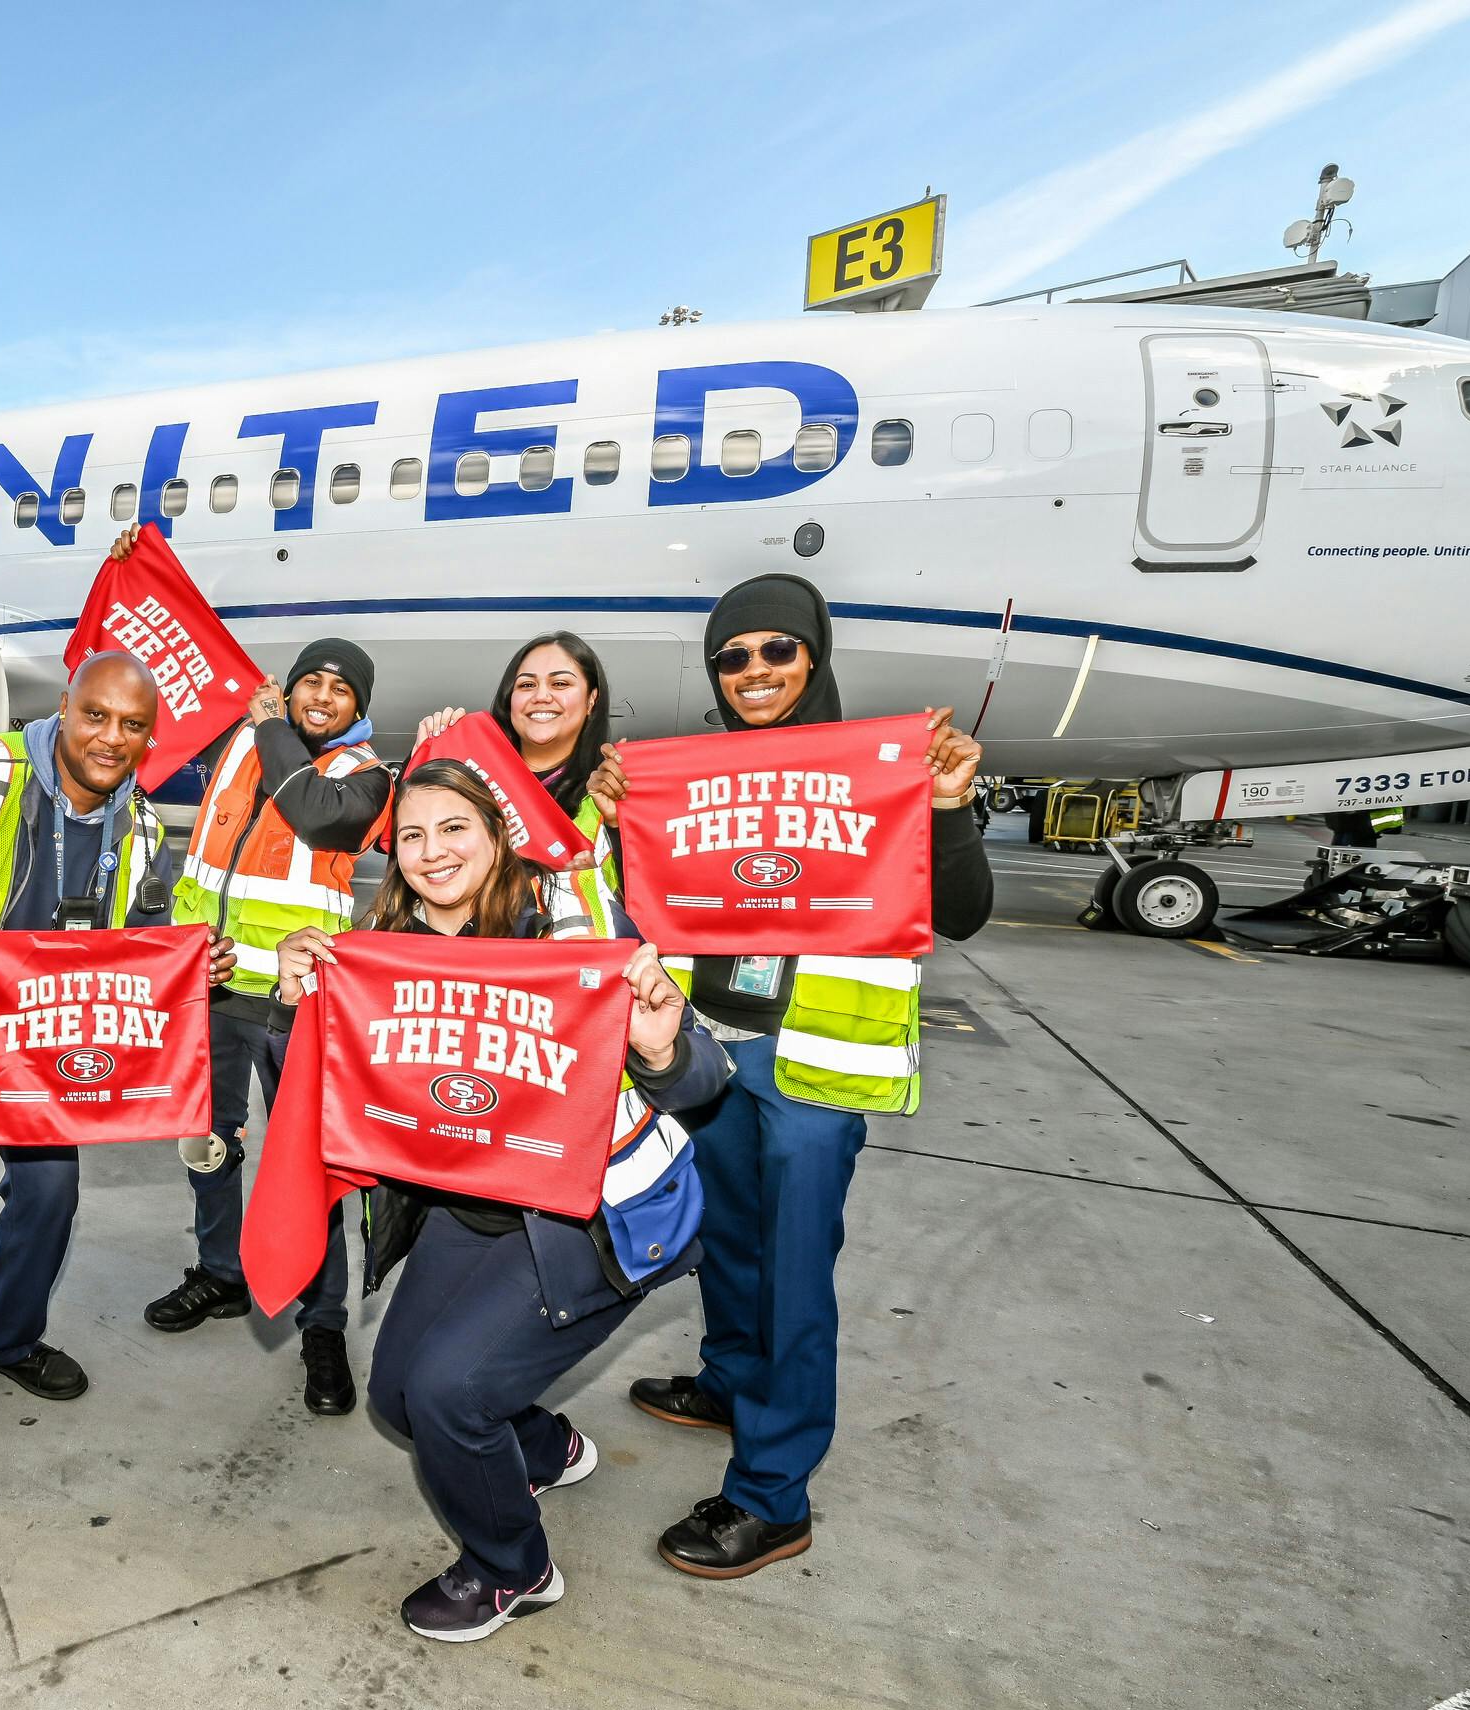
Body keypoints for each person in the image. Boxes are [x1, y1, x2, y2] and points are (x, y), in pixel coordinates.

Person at [587, 573, 992, 1578]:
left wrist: (945, 807)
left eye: (777, 650)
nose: (755, 671)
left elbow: (966, 911)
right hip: (717, 1043)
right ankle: (730, 1380)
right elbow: (640, 897)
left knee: (794, 1269)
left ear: (814, 656)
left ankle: (772, 1495)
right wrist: (611, 819)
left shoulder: (885, 766)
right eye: (733, 656)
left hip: (816, 1061)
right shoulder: (693, 769)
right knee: (727, 1233)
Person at [268, 762, 729, 1641]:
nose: (432, 851)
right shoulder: (383, 942)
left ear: (494, 835)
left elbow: (701, 1075)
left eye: (454, 829)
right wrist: (300, 998)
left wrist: (663, 1046)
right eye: (411, 835)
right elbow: (342, 1089)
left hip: (585, 1222)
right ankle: (543, 1447)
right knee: (398, 1401)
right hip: (469, 1209)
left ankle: (513, 1569)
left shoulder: (569, 923)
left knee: (449, 1394)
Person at [0, 651, 236, 1474]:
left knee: (51, 1191)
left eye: (133, 726)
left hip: (34, 1049)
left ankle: (8, 1336)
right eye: (96, 715)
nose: (111, 738)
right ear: (65, 706)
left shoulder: (137, 825)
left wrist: (192, 965)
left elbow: (144, 944)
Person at [136, 533, 392, 1415]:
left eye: (340, 688)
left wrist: (273, 722)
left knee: (304, 1168)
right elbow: (171, 665)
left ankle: (324, 1328)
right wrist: (142, 561)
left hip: (298, 1001)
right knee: (207, 1144)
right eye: (311, 679)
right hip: (213, 984)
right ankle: (220, 1272)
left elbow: (317, 820)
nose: (323, 696)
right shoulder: (242, 745)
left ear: (356, 705)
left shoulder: (366, 774)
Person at [414, 630, 624, 936]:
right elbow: (409, 859)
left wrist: (589, 879)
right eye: (527, 685)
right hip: (468, 967)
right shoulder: (466, 776)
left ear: (592, 699)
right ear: (509, 699)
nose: (541, 696)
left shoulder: (610, 789)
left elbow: (647, 900)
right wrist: (424, 762)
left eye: (560, 683)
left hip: (565, 970)